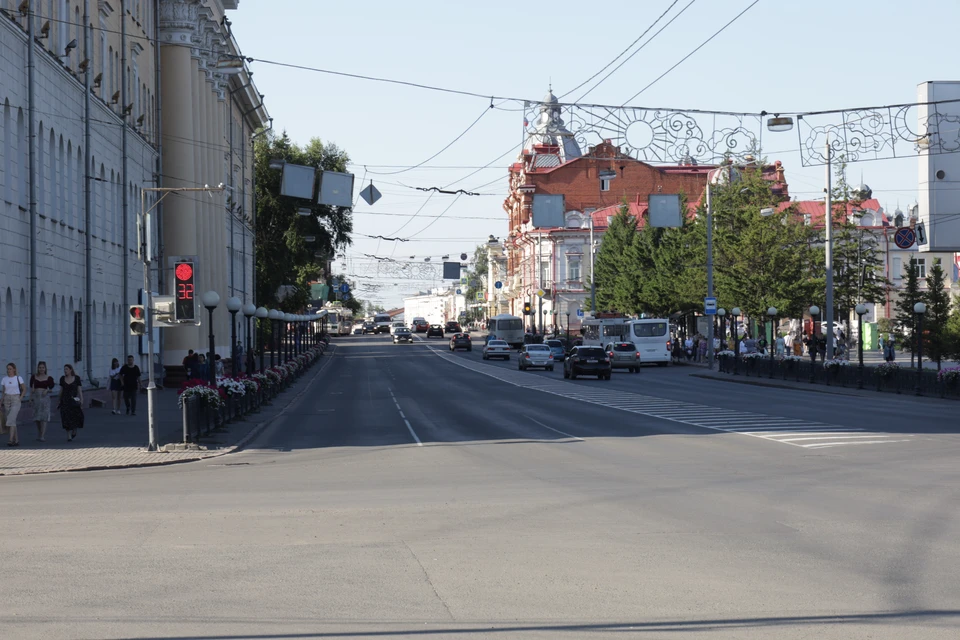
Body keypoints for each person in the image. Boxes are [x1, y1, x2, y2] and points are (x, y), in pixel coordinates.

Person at [1, 363, 26, 447]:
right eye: (8, 369)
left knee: (11, 419)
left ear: (14, 369)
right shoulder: (4, 379)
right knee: (12, 420)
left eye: (10, 369)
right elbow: (3, 391)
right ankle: (16, 440)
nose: (9, 370)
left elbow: (24, 389)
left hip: (16, 399)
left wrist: (20, 398)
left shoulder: (18, 378)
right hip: (7, 400)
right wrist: (1, 401)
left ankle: (10, 440)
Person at [58, 364, 84, 442]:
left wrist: (81, 399)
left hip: (74, 401)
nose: (65, 371)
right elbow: (61, 390)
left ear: (70, 370)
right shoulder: (62, 379)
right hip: (65, 401)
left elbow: (79, 390)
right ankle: (69, 435)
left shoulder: (76, 378)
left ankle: (74, 430)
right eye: (64, 369)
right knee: (66, 418)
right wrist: (59, 400)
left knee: (76, 416)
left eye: (66, 369)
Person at [30, 362, 54, 442]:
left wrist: (46, 390)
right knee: (37, 418)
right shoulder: (34, 377)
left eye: (43, 367)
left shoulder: (49, 378)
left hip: (45, 399)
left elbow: (51, 389)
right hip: (36, 398)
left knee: (44, 417)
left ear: (45, 368)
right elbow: (32, 389)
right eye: (40, 367)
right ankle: (40, 432)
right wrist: (30, 399)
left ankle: (42, 435)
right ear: (38, 368)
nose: (41, 369)